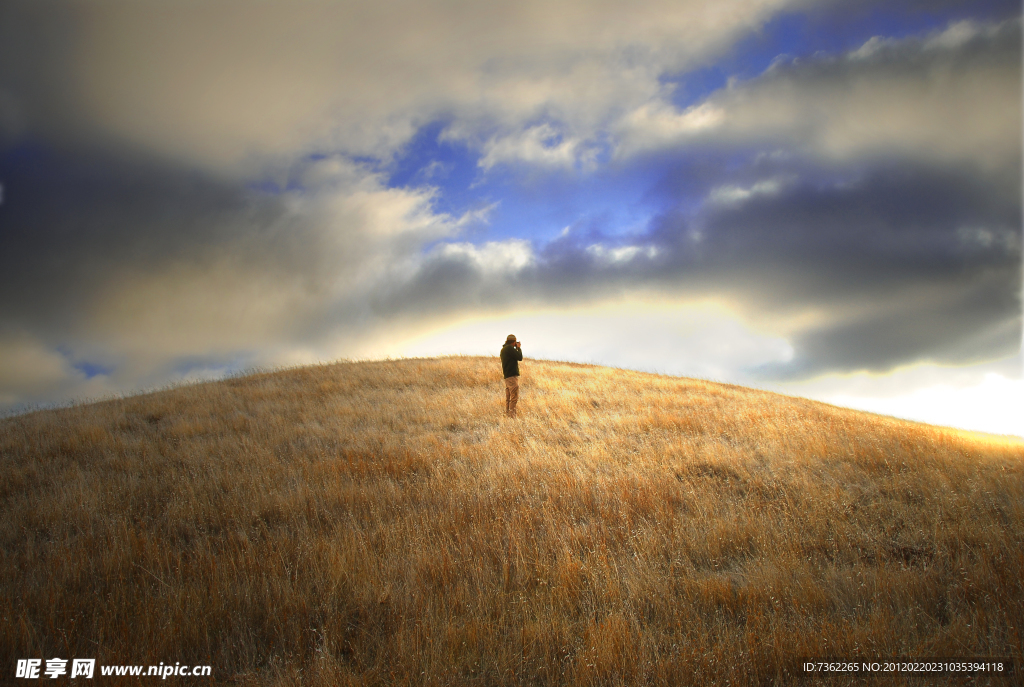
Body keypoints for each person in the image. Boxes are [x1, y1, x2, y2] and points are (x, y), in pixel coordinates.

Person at [500, 334, 523, 418]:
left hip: (507, 376)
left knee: (508, 397)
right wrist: (519, 348)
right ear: (513, 342)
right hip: (512, 377)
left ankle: (508, 414)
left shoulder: (504, 349)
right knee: (514, 397)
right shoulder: (509, 348)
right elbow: (519, 357)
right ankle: (512, 416)